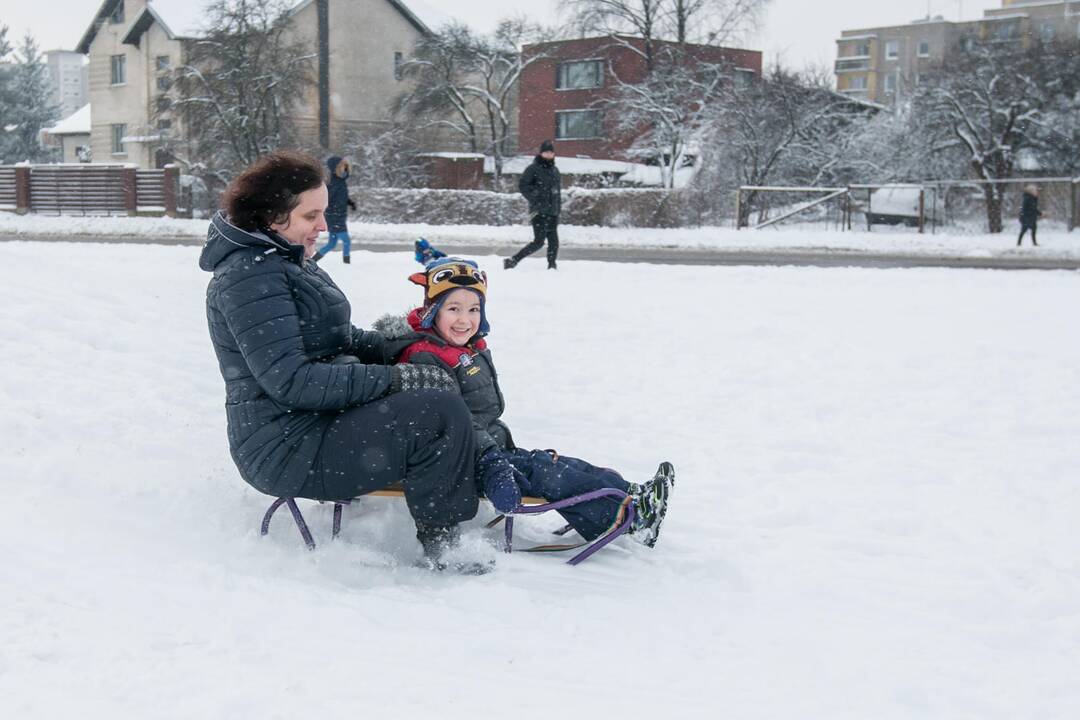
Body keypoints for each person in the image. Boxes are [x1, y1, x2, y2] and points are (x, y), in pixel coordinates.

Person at [199, 150, 487, 574]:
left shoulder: (286, 260)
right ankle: (444, 544)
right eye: (311, 216)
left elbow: (341, 338)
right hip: (286, 446)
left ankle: (497, 463)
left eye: (325, 212)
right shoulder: (248, 277)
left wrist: (410, 348)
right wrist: (397, 378)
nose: (324, 227)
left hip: (318, 421)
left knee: (437, 374)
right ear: (274, 217)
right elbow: (293, 381)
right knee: (436, 413)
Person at [376, 257, 674, 548]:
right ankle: (628, 518)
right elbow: (453, 422)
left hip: (486, 446)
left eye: (473, 309)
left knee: (553, 462)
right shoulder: (425, 359)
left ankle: (630, 493)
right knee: (547, 475)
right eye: (453, 309)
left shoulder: (462, 348)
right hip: (459, 460)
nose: (464, 319)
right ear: (433, 311)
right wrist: (492, 464)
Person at [505, 140, 561, 271]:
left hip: (552, 212)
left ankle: (552, 265)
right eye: (546, 152)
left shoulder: (555, 170)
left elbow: (557, 192)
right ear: (541, 153)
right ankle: (513, 260)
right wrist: (535, 197)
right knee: (539, 242)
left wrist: (557, 209)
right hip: (538, 212)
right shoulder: (533, 169)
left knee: (554, 242)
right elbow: (523, 185)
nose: (549, 154)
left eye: (551, 152)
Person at [312, 155, 356, 264]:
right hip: (335, 217)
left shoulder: (340, 181)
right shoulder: (333, 184)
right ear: (335, 168)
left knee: (331, 244)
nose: (343, 168)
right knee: (346, 241)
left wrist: (349, 202)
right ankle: (347, 263)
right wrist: (332, 214)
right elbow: (327, 201)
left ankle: (313, 260)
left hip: (337, 216)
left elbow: (341, 197)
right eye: (341, 166)